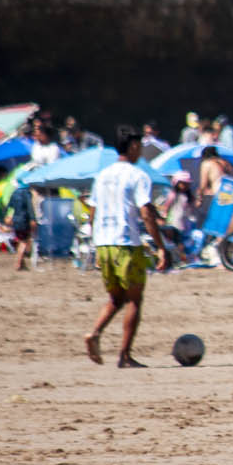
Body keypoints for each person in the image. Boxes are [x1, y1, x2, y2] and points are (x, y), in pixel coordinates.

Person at [83, 129, 172, 368]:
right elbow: (145, 212)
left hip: (104, 243)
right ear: (132, 146)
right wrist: (161, 246)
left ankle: (94, 333)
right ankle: (124, 356)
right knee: (134, 300)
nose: (141, 150)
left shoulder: (101, 176)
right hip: (126, 243)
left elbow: (92, 212)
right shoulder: (137, 175)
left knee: (116, 298)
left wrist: (96, 243)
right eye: (139, 146)